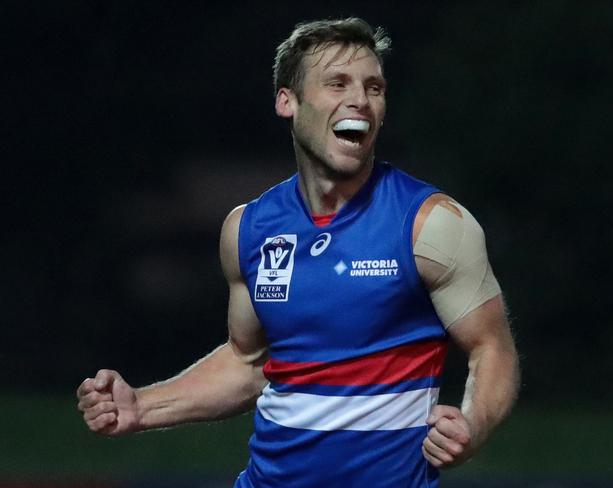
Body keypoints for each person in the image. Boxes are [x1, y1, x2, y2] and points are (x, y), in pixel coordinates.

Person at [77, 17, 519, 487]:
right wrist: (142, 407)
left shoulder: (430, 225)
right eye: (337, 83)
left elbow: (492, 348)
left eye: (374, 87)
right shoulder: (248, 230)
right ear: (288, 101)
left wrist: (472, 425)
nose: (359, 100)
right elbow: (248, 364)